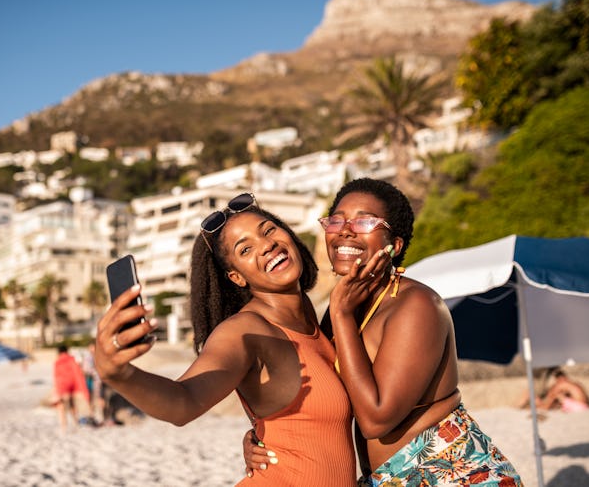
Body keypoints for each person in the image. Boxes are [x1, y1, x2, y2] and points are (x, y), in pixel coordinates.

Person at [243, 178, 522, 486]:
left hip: (454, 474)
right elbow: (321, 400)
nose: (346, 229)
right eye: (337, 220)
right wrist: (259, 438)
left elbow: (377, 419)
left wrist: (341, 314)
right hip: (385, 479)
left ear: (395, 245)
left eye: (364, 221)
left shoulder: (416, 305)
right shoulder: (345, 310)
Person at [95, 193, 357, 486]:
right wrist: (118, 374)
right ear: (236, 277)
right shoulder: (244, 331)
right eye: (245, 249)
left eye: (268, 230)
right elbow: (184, 401)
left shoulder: (315, 318)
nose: (266, 245)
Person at [53, 344, 90, 432]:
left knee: (61, 406)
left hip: (61, 387)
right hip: (71, 387)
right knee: (72, 406)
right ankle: (75, 422)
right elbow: (77, 374)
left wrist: (56, 390)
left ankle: (63, 425)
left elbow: (56, 376)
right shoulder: (71, 360)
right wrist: (83, 389)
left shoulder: (57, 362)